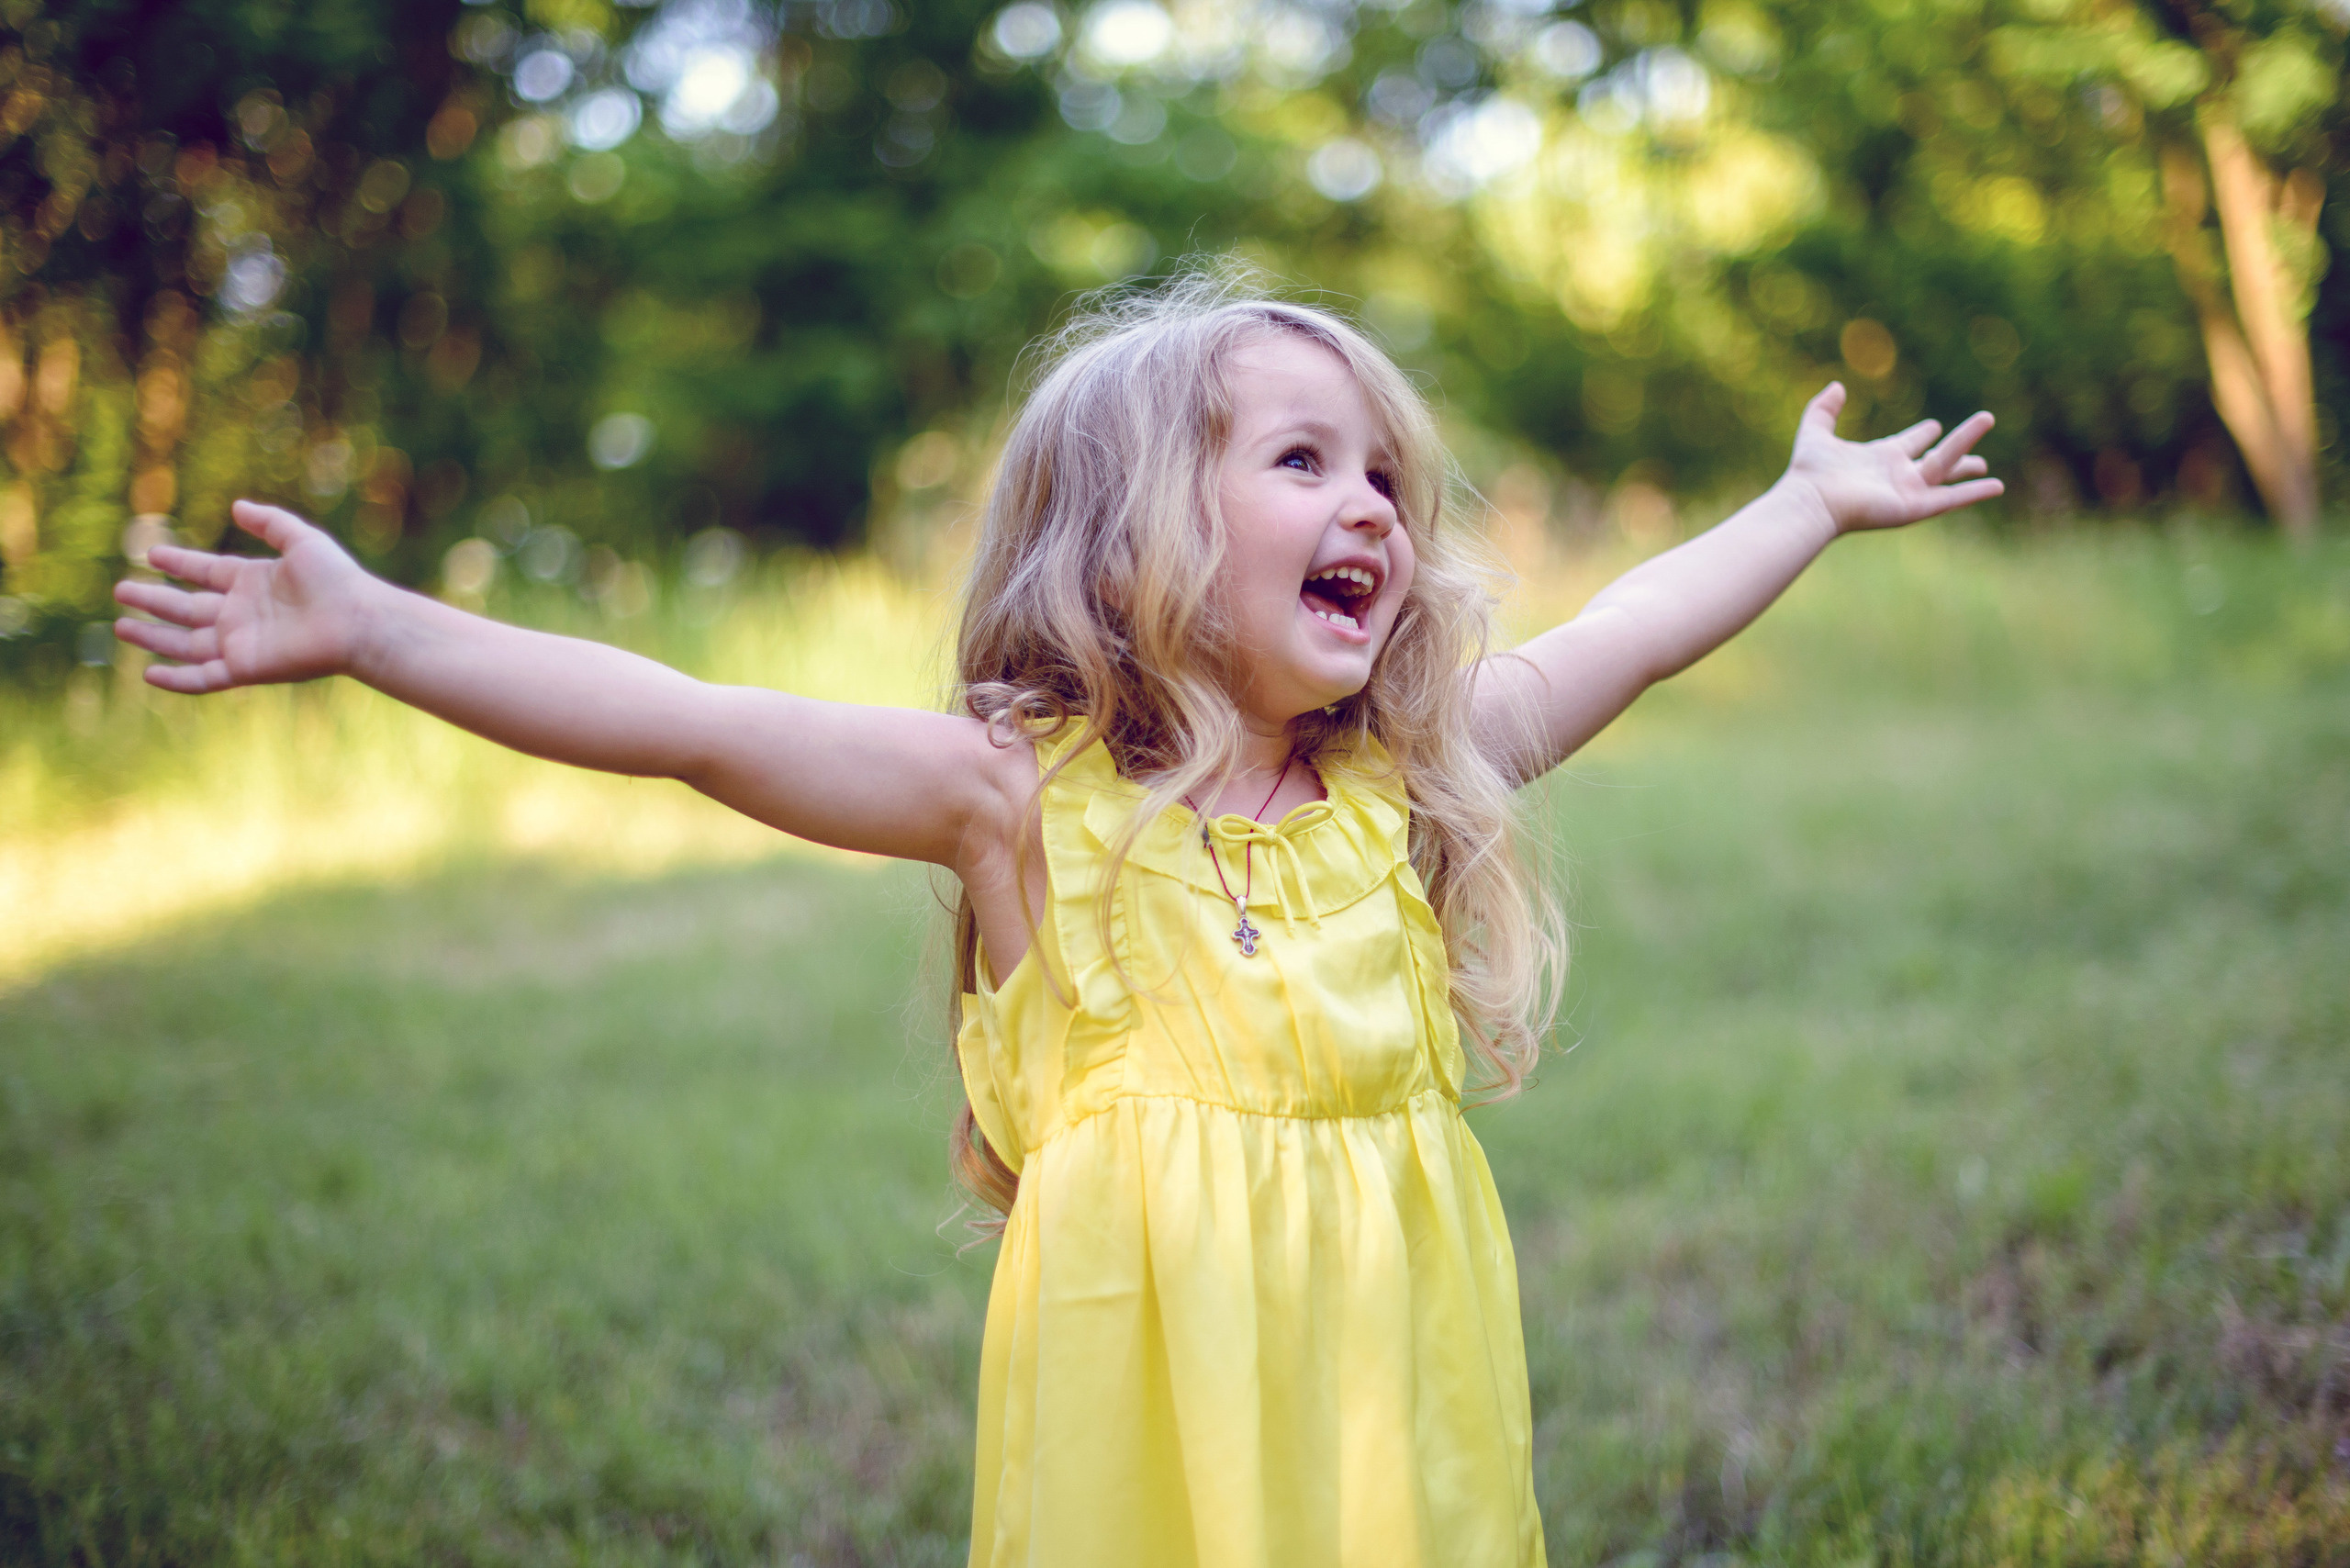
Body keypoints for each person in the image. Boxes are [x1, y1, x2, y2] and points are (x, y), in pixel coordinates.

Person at [112, 275, 2000, 1568]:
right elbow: (692, 727)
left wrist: (1800, 504)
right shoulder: (1011, 803)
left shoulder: (1412, 774)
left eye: (1383, 480)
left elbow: (1628, 634)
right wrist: (378, 629)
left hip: (1381, 1419)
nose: (1370, 510)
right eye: (1300, 461)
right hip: (1138, 1433)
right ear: (1126, 537)